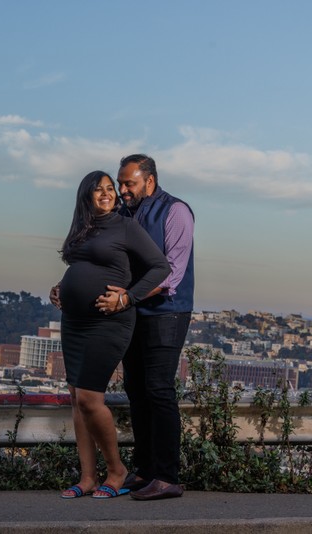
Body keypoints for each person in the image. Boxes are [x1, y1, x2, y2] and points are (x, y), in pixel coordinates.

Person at [50, 170, 170, 499]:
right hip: (74, 321)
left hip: (108, 321)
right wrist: (61, 287)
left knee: (90, 399)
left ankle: (116, 470)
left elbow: (161, 267)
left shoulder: (126, 226)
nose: (107, 193)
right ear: (86, 196)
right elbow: (81, 267)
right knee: (76, 397)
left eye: (109, 188)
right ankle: (87, 477)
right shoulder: (83, 227)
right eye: (98, 189)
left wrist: (128, 297)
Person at [95, 154, 194, 500]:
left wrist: (127, 297)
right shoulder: (124, 214)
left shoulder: (176, 211)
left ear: (149, 181)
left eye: (129, 183)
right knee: (136, 390)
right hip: (133, 312)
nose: (122, 190)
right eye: (120, 183)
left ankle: (167, 477)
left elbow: (172, 274)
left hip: (167, 313)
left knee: (159, 389)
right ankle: (146, 470)